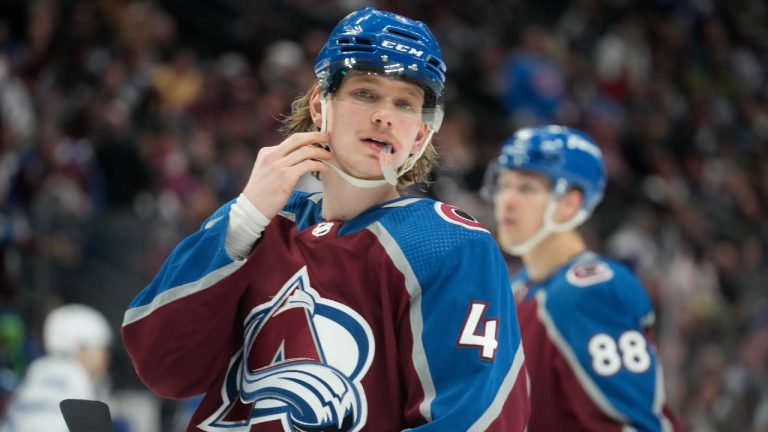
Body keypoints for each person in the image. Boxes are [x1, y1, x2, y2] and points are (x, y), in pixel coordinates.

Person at [122, 7, 530, 432]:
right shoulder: (257, 223)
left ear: (421, 133)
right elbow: (163, 368)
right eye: (365, 93)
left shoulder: (449, 243)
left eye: (405, 103)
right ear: (321, 105)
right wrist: (242, 219)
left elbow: (477, 421)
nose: (384, 116)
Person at [486, 125, 683, 431]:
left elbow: (634, 425)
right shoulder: (518, 288)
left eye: (526, 188)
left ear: (570, 203)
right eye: (503, 185)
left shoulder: (591, 290)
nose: (506, 201)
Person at [1, 303, 112, 432]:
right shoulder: (74, 378)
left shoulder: (38, 369)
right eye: (101, 349)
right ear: (81, 348)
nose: (105, 357)